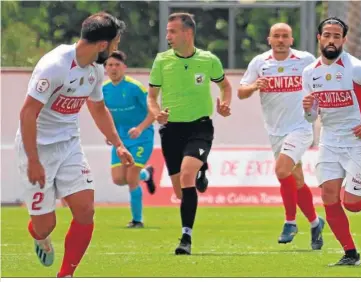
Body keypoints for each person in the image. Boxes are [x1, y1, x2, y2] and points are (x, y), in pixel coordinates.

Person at [17, 12, 129, 277]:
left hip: (69, 145)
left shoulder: (95, 71)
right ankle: (38, 234)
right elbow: (27, 113)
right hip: (38, 148)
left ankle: (66, 274)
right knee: (46, 226)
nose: (116, 49)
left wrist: (118, 144)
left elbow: (98, 109)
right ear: (103, 44)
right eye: (115, 43)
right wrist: (33, 160)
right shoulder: (54, 65)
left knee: (85, 211)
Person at [302, 17, 361, 266]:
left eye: (336, 36)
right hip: (329, 141)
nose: (331, 40)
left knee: (353, 204)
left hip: (357, 142)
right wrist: (309, 109)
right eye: (327, 35)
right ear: (319, 38)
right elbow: (312, 115)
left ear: (344, 40)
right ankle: (350, 253)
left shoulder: (356, 68)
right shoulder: (309, 73)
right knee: (329, 197)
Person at [147, 12, 232, 255]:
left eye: (173, 31)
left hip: (200, 127)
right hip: (171, 129)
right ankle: (201, 168)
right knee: (179, 191)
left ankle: (186, 238)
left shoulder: (208, 60)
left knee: (186, 177)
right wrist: (156, 114)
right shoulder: (162, 61)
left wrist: (225, 104)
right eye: (167, 32)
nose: (168, 36)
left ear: (188, 33)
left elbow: (225, 86)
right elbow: (151, 97)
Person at [238, 23, 325, 249]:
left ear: (291, 40)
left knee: (281, 170)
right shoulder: (260, 63)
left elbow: (323, 78)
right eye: (276, 36)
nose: (280, 40)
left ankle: (290, 222)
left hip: (301, 127)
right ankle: (316, 223)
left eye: (284, 36)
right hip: (275, 131)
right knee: (296, 179)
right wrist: (255, 86)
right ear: (269, 40)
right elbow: (241, 92)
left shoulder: (305, 60)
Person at [103, 50, 157, 228]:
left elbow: (154, 111)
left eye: (117, 65)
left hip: (142, 137)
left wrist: (140, 128)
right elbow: (105, 115)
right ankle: (146, 174)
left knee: (132, 177)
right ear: (105, 68)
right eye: (110, 65)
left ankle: (137, 220)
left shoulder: (135, 87)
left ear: (124, 67)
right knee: (119, 179)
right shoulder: (104, 89)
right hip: (120, 141)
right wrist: (109, 134)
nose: (113, 68)